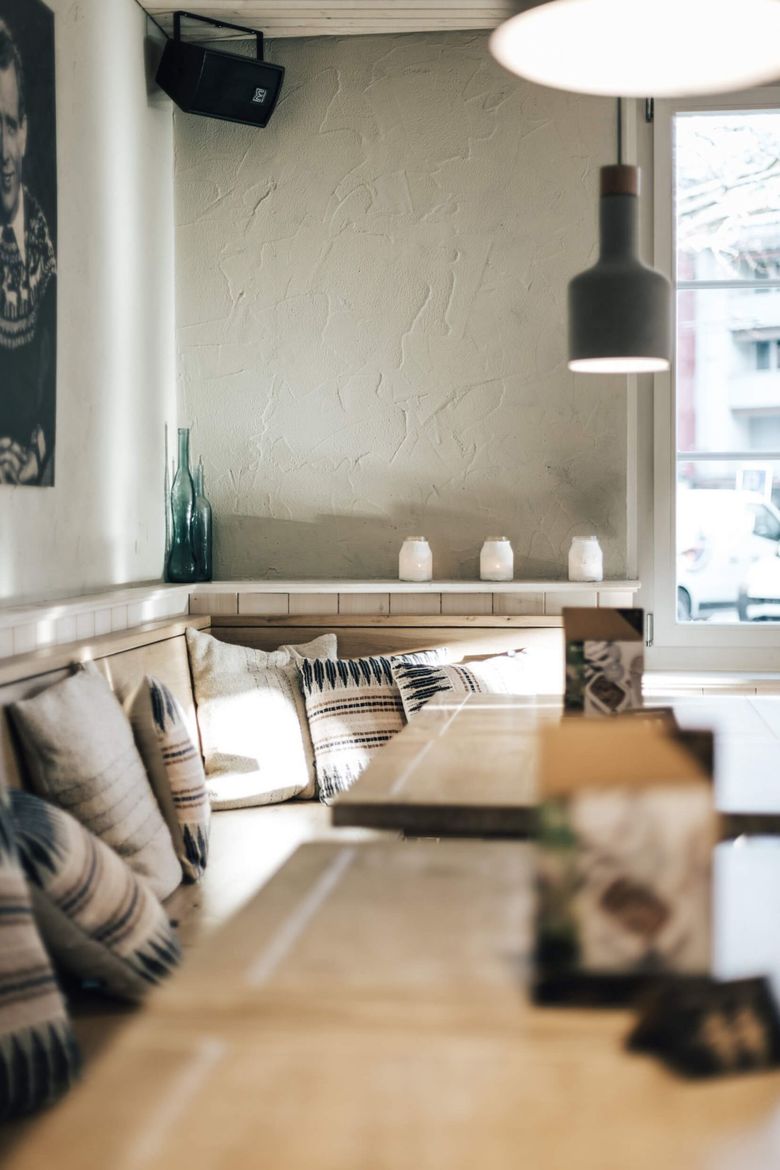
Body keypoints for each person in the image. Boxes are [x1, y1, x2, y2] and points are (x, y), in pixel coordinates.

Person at [0, 17, 56, 485]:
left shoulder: (48, 239)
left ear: (23, 132)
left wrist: (39, 451)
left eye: (8, 125)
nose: (2, 150)